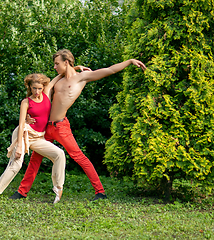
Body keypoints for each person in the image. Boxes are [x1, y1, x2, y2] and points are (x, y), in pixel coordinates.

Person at [10, 49, 147, 201]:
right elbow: (41, 95)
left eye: (57, 64)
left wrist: (129, 62)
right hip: (45, 127)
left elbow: (109, 70)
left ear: (66, 62)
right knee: (36, 158)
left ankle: (100, 192)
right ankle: (21, 192)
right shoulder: (59, 80)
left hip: (61, 127)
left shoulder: (82, 78)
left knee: (79, 157)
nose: (54, 67)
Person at [0, 73, 67, 205]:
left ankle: (58, 188)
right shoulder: (26, 102)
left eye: (39, 88)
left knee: (59, 154)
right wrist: (20, 145)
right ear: (29, 87)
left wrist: (75, 68)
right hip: (24, 133)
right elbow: (21, 125)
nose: (37, 91)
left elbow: (56, 78)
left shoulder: (46, 94)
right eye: (34, 88)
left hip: (38, 137)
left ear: (43, 87)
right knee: (16, 165)